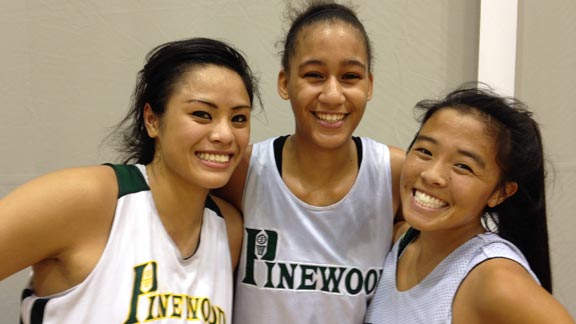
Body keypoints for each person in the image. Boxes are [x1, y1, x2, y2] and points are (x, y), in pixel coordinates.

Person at [0, 37, 260, 323]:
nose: (224, 135)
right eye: (202, 114)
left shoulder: (229, 231)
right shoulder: (84, 199)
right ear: (152, 120)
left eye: (238, 119)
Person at [214, 1, 404, 323]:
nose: (332, 95)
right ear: (285, 83)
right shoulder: (244, 171)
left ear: (369, 85)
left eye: (350, 77)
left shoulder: (395, 173)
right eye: (314, 75)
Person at [364, 85, 575, 323]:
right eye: (425, 151)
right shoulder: (400, 240)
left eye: (463, 166)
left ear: (501, 192)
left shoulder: (495, 280)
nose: (432, 175)